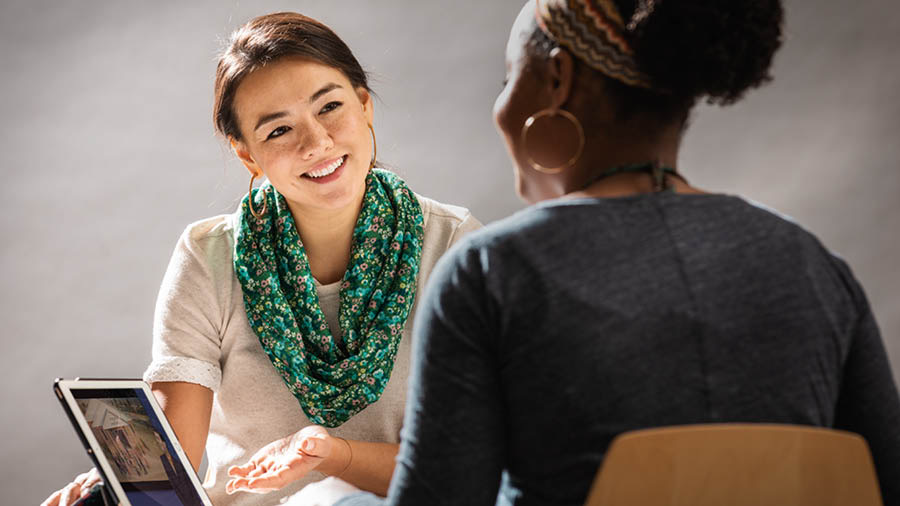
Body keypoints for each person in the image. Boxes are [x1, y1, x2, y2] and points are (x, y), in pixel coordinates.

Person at [238, 0, 900, 504]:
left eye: (509, 77)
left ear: (554, 79)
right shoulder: (811, 263)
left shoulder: (493, 272)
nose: (501, 104)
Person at [41, 12, 480, 506]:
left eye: (330, 107)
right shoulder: (208, 256)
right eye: (277, 131)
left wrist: (333, 457)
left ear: (364, 106)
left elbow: (468, 466)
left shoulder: (456, 247)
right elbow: (170, 469)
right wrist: (113, 488)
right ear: (247, 154)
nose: (316, 143)